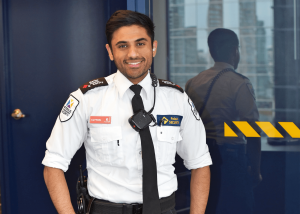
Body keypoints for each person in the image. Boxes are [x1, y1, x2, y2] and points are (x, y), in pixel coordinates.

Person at [42, 10, 212, 214]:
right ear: (110, 51)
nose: (133, 54)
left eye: (140, 44)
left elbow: (200, 162)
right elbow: (53, 164)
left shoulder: (177, 99)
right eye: (122, 46)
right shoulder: (86, 99)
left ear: (153, 47)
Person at [185, 28, 262, 214]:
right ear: (235, 50)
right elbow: (252, 131)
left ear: (211, 51)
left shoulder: (193, 82)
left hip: (201, 158)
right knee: (239, 208)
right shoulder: (239, 83)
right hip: (230, 158)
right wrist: (255, 169)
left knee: (207, 207)